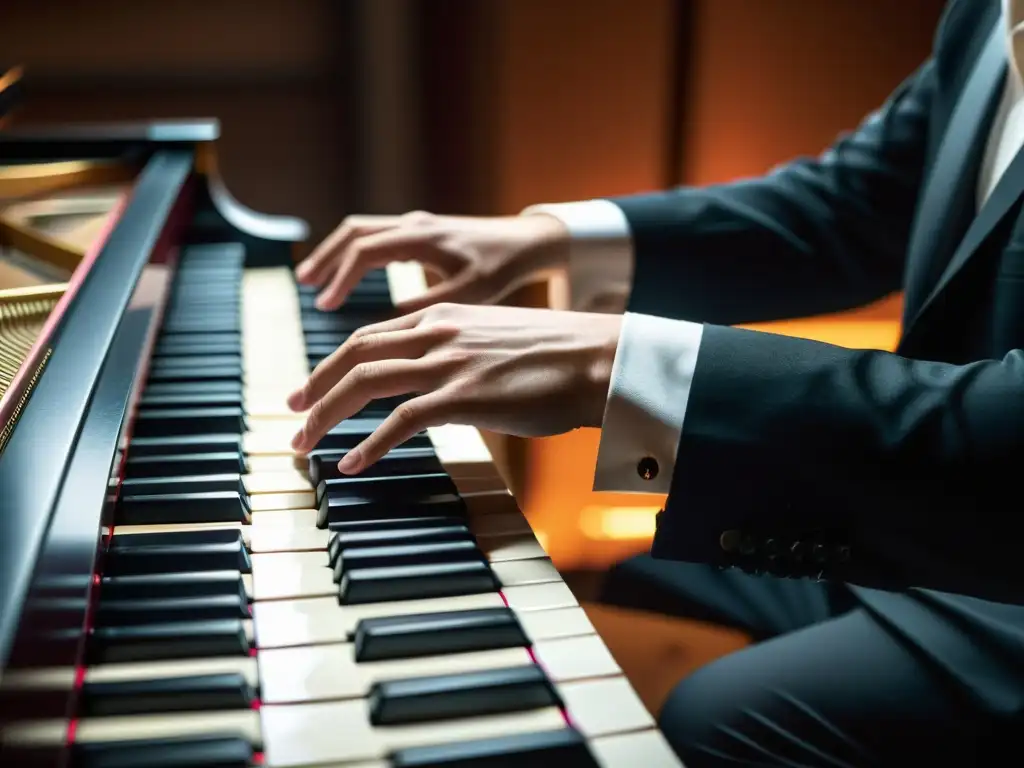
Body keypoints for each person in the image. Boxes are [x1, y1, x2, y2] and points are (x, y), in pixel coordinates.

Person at [289, 0, 1024, 763]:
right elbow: (850, 207)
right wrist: (546, 239)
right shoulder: (985, 11)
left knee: (723, 718)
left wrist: (616, 366)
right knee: (613, 577)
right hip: (933, 496)